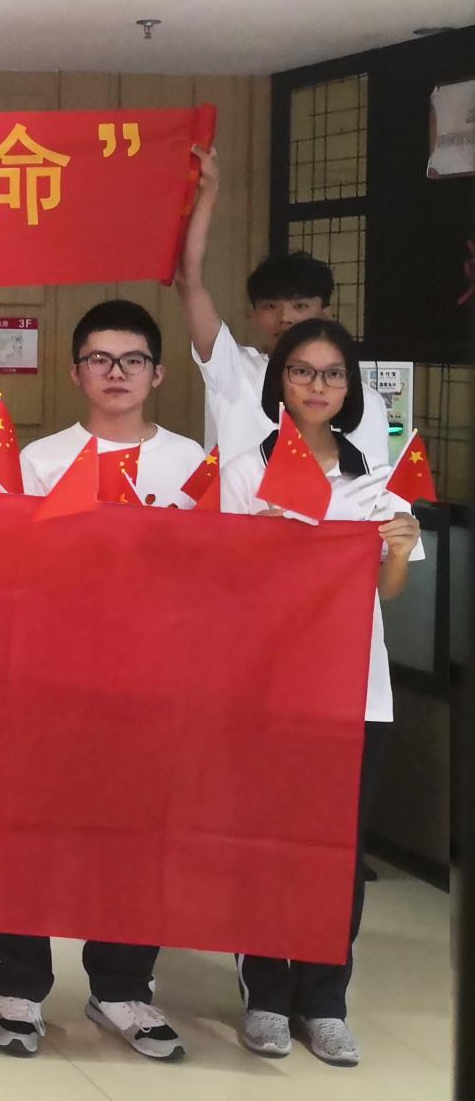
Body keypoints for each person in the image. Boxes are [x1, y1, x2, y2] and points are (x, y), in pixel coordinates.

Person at [0, 299, 203, 1061]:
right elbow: (6, 568)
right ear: (75, 372)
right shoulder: (40, 462)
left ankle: (122, 988)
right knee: (29, 832)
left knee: (135, 837)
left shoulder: (192, 465)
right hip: (51, 678)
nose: (116, 373)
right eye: (100, 360)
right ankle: (20, 987)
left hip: (152, 683)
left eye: (132, 360)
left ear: (157, 374)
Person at [219, 318, 420, 1068]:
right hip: (270, 690)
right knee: (269, 843)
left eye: (333, 374)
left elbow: (387, 592)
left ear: (350, 387)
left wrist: (398, 548)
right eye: (301, 371)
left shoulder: (376, 476)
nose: (317, 386)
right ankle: (267, 995)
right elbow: (223, 581)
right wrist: (262, 542)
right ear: (280, 380)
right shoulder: (247, 469)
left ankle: (325, 1000)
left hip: (359, 691)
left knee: (338, 850)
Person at [176, 145, 389, 468]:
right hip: (240, 502)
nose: (285, 317)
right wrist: (208, 194)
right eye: (270, 305)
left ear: (325, 312)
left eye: (300, 305)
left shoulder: (365, 401)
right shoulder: (235, 371)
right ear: (252, 315)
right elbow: (188, 281)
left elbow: (371, 487)